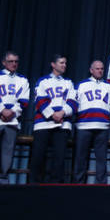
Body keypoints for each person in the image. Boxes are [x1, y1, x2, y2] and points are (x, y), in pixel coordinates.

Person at [0, 51, 30, 184]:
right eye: (11, 61)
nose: (14, 64)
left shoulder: (23, 80)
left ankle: (3, 180)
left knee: (7, 154)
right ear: (4, 62)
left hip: (12, 122)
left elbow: (24, 101)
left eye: (16, 61)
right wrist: (2, 111)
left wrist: (11, 112)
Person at [30, 54, 77, 183]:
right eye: (61, 63)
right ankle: (35, 185)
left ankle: (56, 186)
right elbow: (39, 100)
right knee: (38, 156)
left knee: (59, 158)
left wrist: (62, 113)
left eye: (65, 63)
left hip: (62, 124)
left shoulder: (68, 83)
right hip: (43, 124)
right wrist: (52, 114)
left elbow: (73, 101)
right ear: (53, 64)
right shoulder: (43, 81)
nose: (64, 65)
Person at [73, 60, 110, 184]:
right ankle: (78, 183)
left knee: (101, 158)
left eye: (101, 68)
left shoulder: (108, 86)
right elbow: (76, 103)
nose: (100, 71)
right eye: (97, 68)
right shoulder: (82, 85)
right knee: (81, 157)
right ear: (91, 70)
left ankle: (101, 184)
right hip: (84, 125)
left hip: (102, 125)